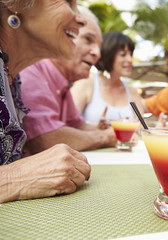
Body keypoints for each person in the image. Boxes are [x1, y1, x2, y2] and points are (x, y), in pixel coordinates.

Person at [0, 1, 91, 204]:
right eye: (68, 2)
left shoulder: (13, 78)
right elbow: (45, 139)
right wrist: (13, 178)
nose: (82, 18)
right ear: (17, 4)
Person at [19, 6, 116, 155]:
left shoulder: (63, 85)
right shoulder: (31, 69)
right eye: (88, 40)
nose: (97, 54)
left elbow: (76, 125)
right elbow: (44, 139)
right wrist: (104, 137)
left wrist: (105, 129)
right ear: (65, 35)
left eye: (99, 47)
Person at [71, 31, 144, 125]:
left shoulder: (132, 92)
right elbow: (68, 123)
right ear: (108, 55)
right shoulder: (86, 84)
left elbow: (142, 128)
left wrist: (155, 130)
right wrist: (96, 127)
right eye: (123, 54)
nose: (130, 60)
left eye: (130, 55)